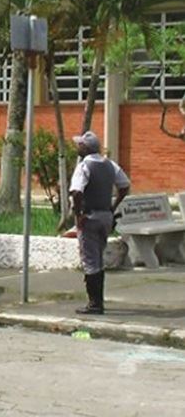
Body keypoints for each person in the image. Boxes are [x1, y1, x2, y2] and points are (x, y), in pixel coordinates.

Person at [69, 131, 130, 315]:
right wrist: (113, 206)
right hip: (105, 216)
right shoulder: (110, 164)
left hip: (90, 217)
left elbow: (77, 192)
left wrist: (78, 214)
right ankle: (97, 301)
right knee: (98, 258)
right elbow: (125, 186)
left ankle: (95, 303)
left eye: (79, 144)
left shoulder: (84, 166)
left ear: (85, 148)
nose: (77, 146)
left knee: (89, 259)